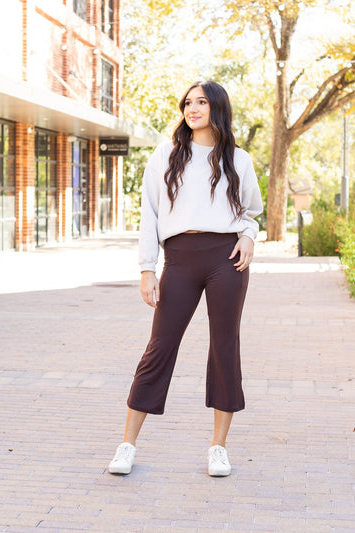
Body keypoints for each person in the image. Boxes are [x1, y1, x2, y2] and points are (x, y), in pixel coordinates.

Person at [108, 80, 264, 477]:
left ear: (217, 108)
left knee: (225, 347)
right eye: (187, 103)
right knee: (159, 347)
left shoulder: (238, 160)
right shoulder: (166, 155)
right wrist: (147, 268)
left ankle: (218, 448)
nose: (192, 108)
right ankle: (127, 444)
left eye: (201, 102)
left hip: (225, 261)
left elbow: (251, 213)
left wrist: (248, 237)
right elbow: (150, 214)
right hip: (178, 259)